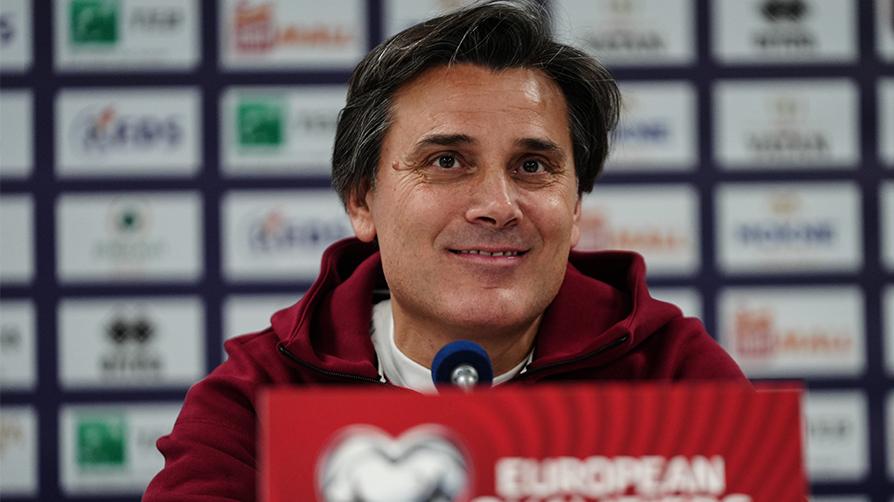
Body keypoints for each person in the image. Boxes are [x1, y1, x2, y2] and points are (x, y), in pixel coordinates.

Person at [143, 1, 746, 499]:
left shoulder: (674, 375)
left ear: (575, 209)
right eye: (448, 161)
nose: (498, 205)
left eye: (533, 166)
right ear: (362, 201)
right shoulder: (259, 397)